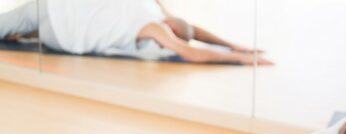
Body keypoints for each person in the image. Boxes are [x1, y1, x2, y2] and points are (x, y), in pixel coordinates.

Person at [0, 0, 271, 65]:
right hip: (59, 15)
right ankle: (23, 36)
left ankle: (24, 35)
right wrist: (235, 46)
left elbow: (190, 48)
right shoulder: (159, 16)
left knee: (10, 25)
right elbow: (193, 34)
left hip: (59, 25)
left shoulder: (155, 27)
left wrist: (240, 58)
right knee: (12, 27)